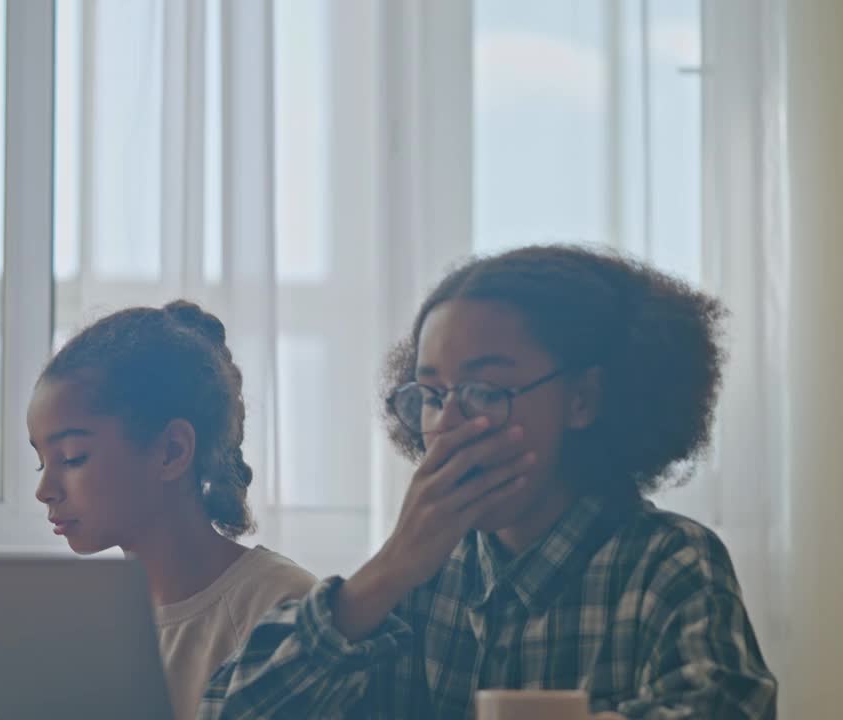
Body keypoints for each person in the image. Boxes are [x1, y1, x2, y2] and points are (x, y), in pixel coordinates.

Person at [199, 245, 776, 718]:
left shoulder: (669, 563)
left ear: (584, 398)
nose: (447, 423)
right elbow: (226, 712)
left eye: (485, 390)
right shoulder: (416, 582)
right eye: (430, 395)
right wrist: (390, 568)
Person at [27, 300, 316, 720]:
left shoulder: (281, 607)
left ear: (171, 451)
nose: (43, 490)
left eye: (72, 458)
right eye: (41, 462)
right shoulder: (82, 624)